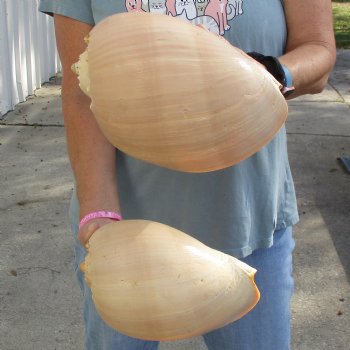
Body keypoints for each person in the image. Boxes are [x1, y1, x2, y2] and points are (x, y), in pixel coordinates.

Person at [39, 1, 336, 349]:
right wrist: (98, 211)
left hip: (249, 220)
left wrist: (266, 73)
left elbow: (318, 52)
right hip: (122, 235)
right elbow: (79, 91)